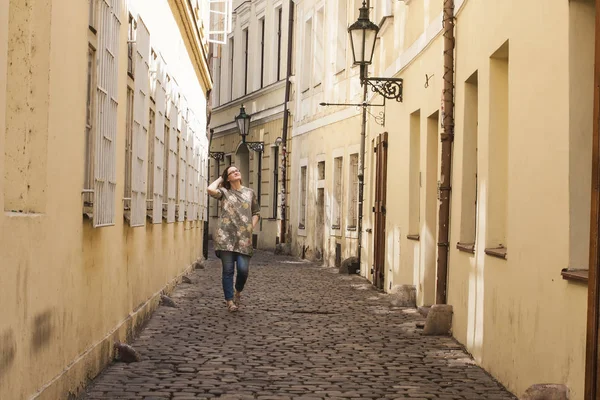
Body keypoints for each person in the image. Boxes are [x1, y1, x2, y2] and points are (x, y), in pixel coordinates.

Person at [207, 165, 260, 312]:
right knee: (228, 270)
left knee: (243, 270)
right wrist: (221, 178)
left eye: (237, 170)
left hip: (244, 238)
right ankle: (229, 301)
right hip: (225, 237)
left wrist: (251, 226)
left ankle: (238, 291)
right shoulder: (224, 192)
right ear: (228, 178)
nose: (236, 172)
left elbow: (256, 212)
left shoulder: (250, 193)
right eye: (232, 172)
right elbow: (210, 189)